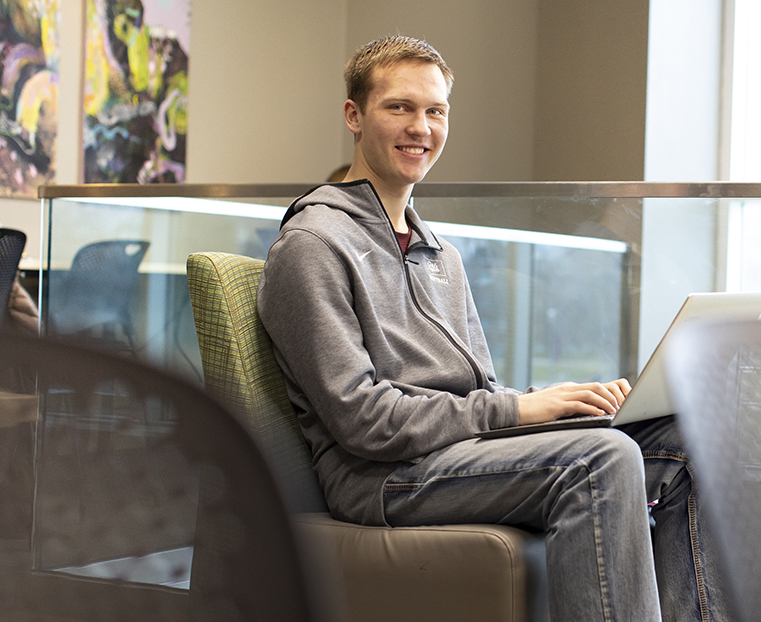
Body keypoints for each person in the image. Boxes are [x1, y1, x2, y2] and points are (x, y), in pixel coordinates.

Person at [257, 36, 728, 621]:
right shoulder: (312, 246)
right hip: (381, 475)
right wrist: (515, 413)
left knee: (680, 440)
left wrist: (554, 403)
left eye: (436, 111)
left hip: (458, 452)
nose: (420, 127)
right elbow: (363, 420)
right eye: (398, 107)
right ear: (354, 115)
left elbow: (480, 392)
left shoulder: (442, 255)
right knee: (597, 460)